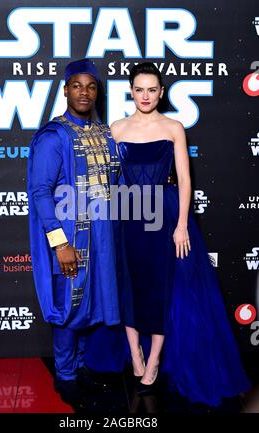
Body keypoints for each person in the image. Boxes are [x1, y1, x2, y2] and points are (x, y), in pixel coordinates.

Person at [110, 62, 251, 406]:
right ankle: (136, 355)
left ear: (161, 92)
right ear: (131, 91)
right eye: (139, 89)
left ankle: (154, 359)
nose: (145, 96)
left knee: (161, 288)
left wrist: (181, 224)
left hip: (164, 214)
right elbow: (113, 179)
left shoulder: (174, 127)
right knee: (127, 284)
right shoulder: (116, 128)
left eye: (152, 89)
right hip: (126, 214)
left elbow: (186, 179)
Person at [27, 58, 126, 407]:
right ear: (65, 90)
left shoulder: (104, 133)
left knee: (89, 305)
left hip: (102, 236)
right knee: (69, 306)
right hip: (71, 236)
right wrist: (60, 243)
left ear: (98, 92)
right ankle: (65, 376)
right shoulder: (54, 136)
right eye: (77, 86)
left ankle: (81, 368)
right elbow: (40, 192)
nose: (84, 92)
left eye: (91, 86)